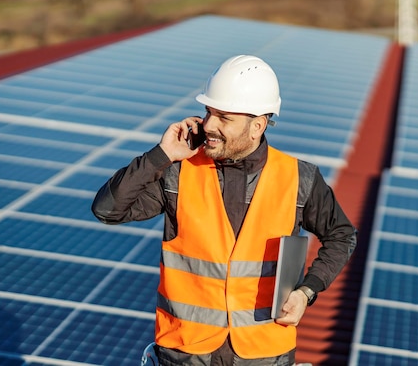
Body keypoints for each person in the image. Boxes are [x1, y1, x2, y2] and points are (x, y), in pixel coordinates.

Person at [92, 55, 357, 366]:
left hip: (264, 353)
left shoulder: (299, 178)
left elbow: (342, 236)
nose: (209, 125)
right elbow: (108, 211)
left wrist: (306, 292)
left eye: (224, 117)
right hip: (185, 352)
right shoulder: (177, 172)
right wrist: (161, 154)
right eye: (208, 113)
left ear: (257, 125)